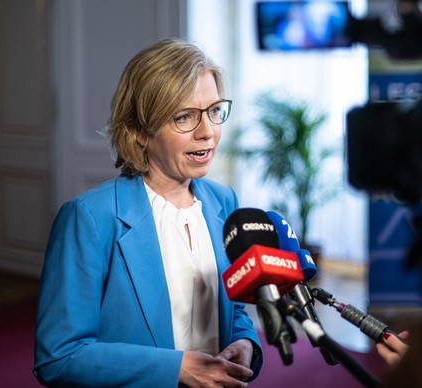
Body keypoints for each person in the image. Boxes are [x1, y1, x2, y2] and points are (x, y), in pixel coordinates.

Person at [34, 38, 263, 387]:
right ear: (140, 130)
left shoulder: (224, 202)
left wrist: (245, 342)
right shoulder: (89, 219)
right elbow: (59, 357)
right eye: (185, 116)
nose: (208, 133)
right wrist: (175, 369)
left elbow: (234, 309)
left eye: (215, 111)